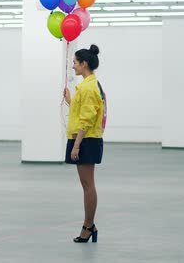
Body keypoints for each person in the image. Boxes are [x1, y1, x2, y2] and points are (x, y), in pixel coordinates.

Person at [62, 44, 104, 243]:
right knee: (87, 184)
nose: (73, 67)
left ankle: (88, 226)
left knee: (88, 185)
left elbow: (86, 120)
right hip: (85, 138)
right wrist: (71, 101)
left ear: (84, 64)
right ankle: (90, 225)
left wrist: (77, 145)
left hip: (85, 140)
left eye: (75, 63)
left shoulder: (87, 87)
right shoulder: (88, 85)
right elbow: (84, 113)